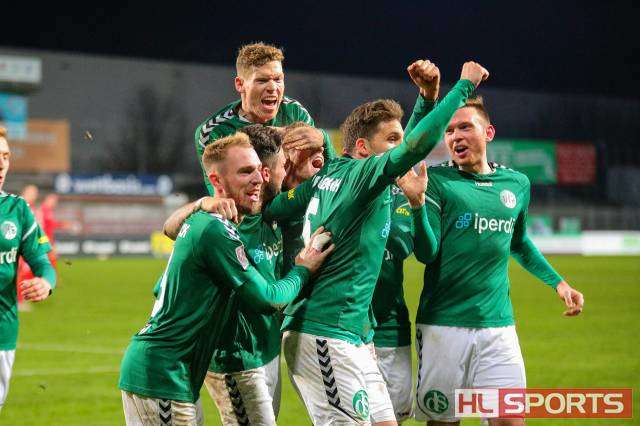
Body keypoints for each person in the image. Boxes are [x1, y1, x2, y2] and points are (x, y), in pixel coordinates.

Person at [257, 62, 488, 425]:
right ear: (363, 148)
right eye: (391, 141)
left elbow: (273, 208)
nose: (400, 148)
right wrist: (462, 87)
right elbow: (415, 146)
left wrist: (427, 100)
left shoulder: (330, 175)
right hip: (326, 333)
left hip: (353, 335)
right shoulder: (364, 176)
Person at [119, 133, 334, 425]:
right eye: (246, 171)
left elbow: (163, 287)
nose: (258, 179)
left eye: (258, 169)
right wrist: (303, 269)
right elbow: (268, 298)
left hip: (174, 373)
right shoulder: (215, 229)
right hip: (164, 374)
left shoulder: (210, 222)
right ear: (216, 181)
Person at [410, 96, 585, 425]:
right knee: (444, 422)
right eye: (449, 130)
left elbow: (519, 243)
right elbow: (426, 253)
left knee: (510, 419)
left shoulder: (516, 184)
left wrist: (559, 283)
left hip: (498, 327)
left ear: (488, 133)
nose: (455, 136)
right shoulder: (435, 181)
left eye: (465, 127)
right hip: (443, 326)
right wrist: (417, 205)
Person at [164, 125, 290, 425]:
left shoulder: (278, 210)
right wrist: (200, 204)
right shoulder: (225, 217)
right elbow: (170, 229)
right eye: (284, 166)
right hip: (234, 356)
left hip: (268, 347)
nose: (286, 174)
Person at [196, 42, 336, 195]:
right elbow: (225, 197)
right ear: (240, 84)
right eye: (262, 80)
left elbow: (326, 179)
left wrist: (323, 138)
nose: (272, 88)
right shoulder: (214, 131)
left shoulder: (294, 112)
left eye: (278, 79)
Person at [0, 127, 56, 411]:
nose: (1, 164)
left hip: (2, 333)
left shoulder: (18, 210)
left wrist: (46, 282)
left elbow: (43, 263)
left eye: (6, 156)